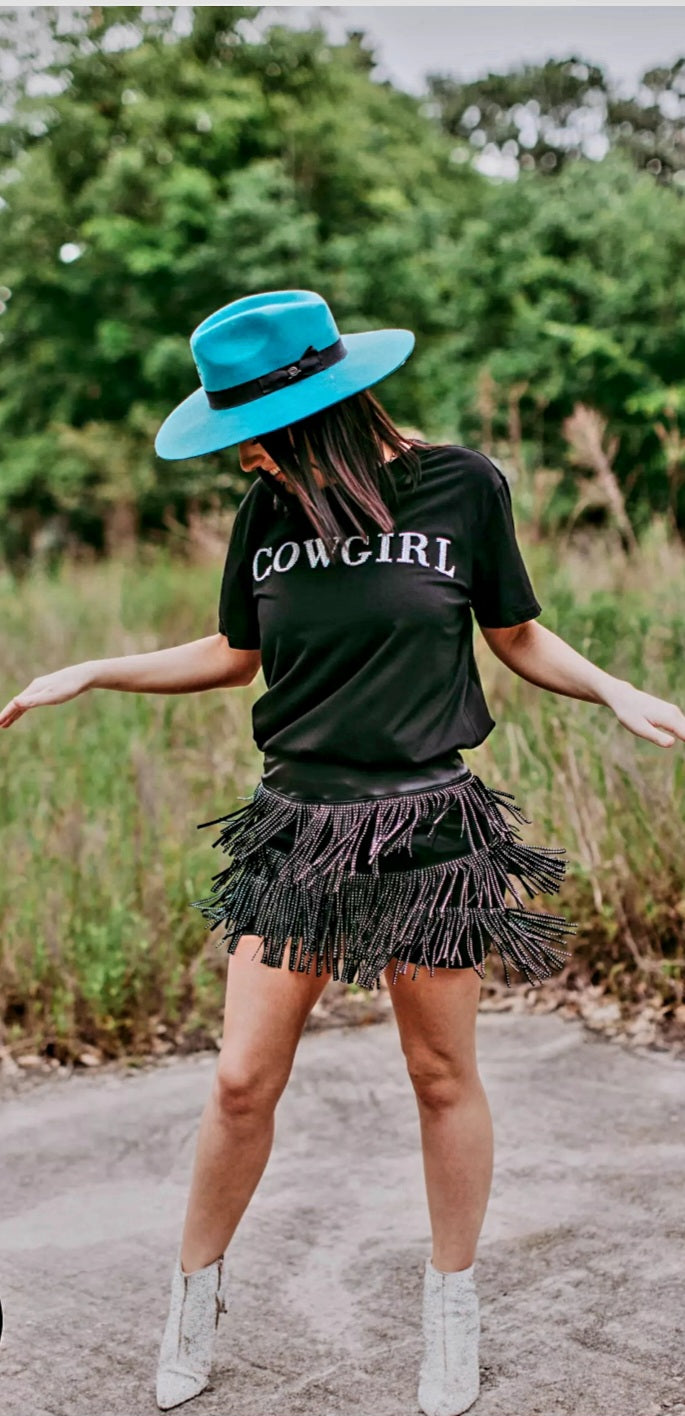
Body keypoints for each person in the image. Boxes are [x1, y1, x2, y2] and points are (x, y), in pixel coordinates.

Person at [2, 290, 683, 1416]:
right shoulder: (267, 510)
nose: (240, 458)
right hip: (296, 827)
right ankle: (193, 1300)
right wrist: (93, 670)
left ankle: (450, 1311)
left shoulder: (461, 486)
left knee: (438, 1075)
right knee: (239, 1081)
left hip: (427, 829)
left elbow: (514, 633)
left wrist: (614, 689)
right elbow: (235, 654)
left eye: (253, 434)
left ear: (316, 411)